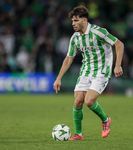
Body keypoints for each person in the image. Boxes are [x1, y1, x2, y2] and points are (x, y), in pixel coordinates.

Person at [53, 6, 124, 140]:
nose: (73, 23)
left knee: (89, 101)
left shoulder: (98, 32)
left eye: (76, 20)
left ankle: (105, 120)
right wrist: (58, 78)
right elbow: (69, 58)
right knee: (78, 101)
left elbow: (119, 44)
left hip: (102, 70)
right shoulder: (75, 38)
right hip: (86, 70)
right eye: (72, 21)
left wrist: (117, 65)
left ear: (84, 20)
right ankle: (78, 134)